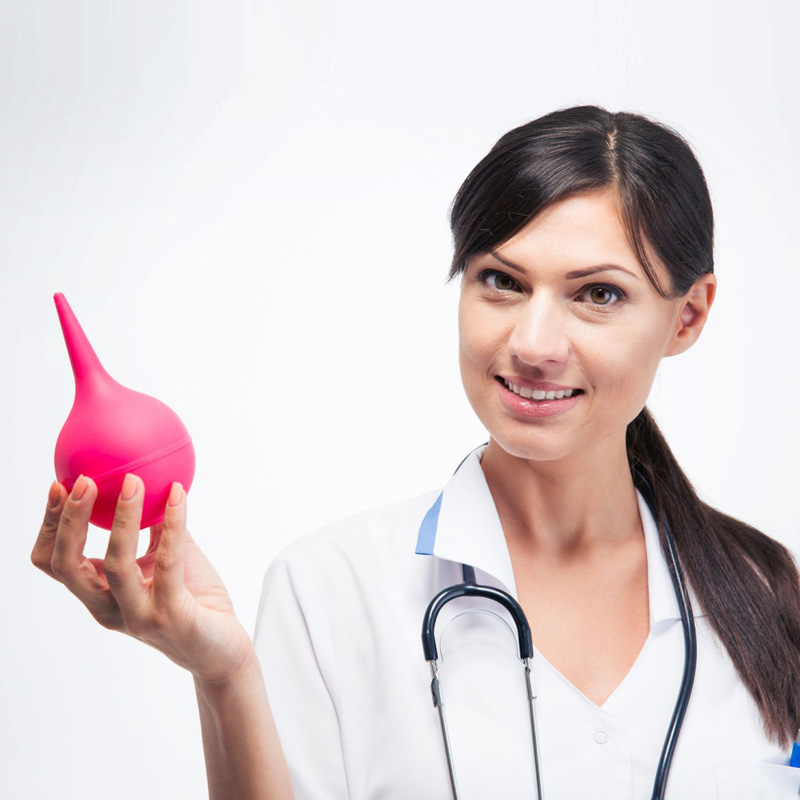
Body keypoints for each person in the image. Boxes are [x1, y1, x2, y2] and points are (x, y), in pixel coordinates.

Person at [32, 105, 800, 799]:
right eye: (500, 281)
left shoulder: (769, 596)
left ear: (687, 316)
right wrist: (225, 677)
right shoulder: (329, 591)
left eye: (597, 294)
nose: (533, 344)